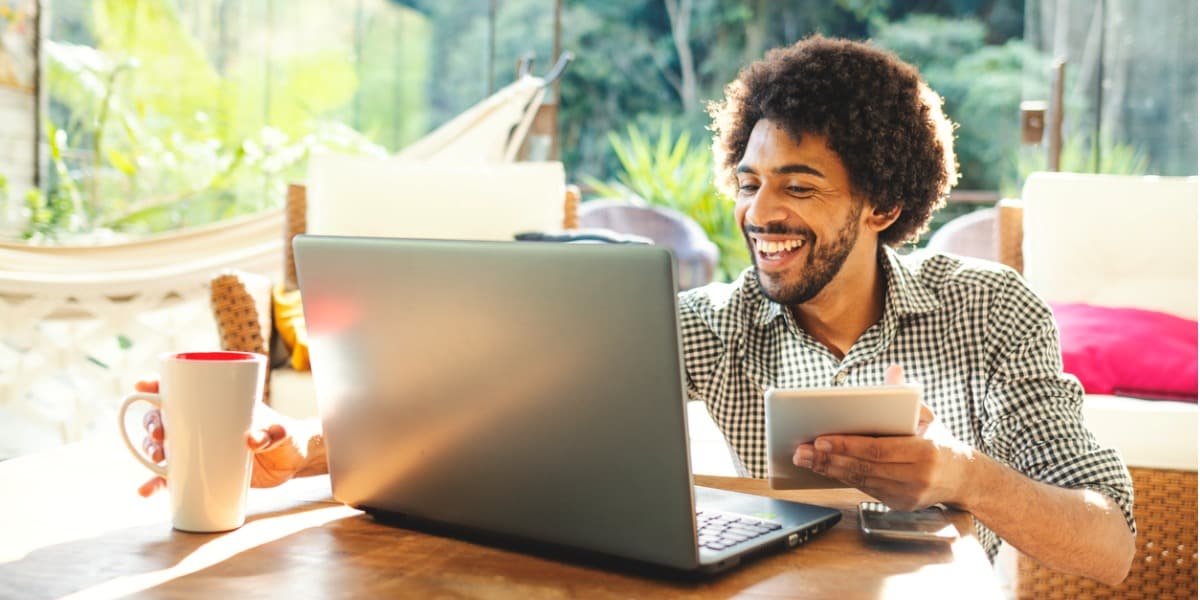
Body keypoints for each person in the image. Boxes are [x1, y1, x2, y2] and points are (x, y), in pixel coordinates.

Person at [137, 35, 1134, 585]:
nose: (760, 215)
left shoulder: (992, 312)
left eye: (798, 185)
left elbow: (1111, 542)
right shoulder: (708, 323)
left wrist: (960, 474)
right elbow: (495, 407)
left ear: (881, 202)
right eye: (747, 183)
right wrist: (299, 449)